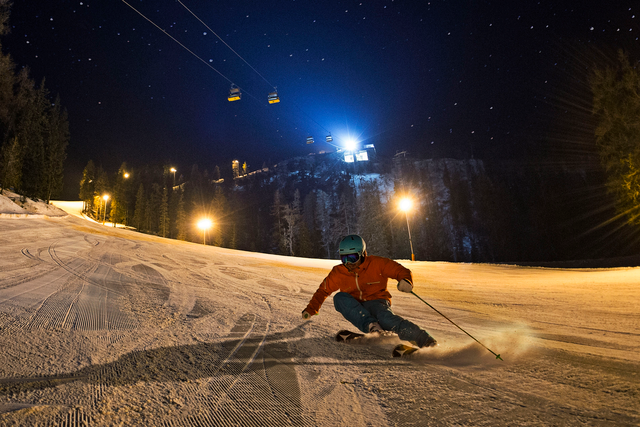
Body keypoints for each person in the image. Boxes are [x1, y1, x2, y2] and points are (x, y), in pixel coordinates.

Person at [302, 234, 437, 348]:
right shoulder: (338, 272)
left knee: (386, 319)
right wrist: (311, 309)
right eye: (344, 258)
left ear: (363, 254)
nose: (348, 263)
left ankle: (426, 341)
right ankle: (373, 328)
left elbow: (400, 271)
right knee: (339, 299)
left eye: (353, 258)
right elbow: (323, 291)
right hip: (355, 305)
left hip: (377, 301)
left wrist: (405, 280)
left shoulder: (377, 264)